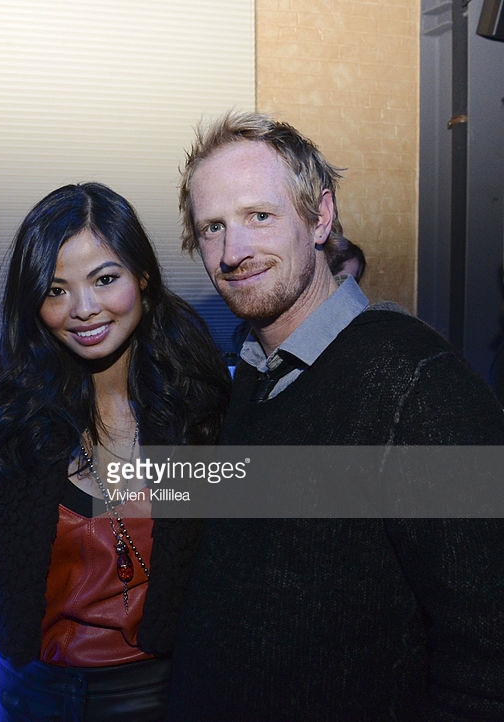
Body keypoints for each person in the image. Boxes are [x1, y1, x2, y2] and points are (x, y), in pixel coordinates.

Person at [169, 110, 504, 718]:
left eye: (259, 216)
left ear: (320, 217)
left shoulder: (419, 384)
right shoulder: (252, 376)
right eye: (212, 227)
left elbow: (489, 657)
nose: (233, 251)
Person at [0, 182, 230, 720]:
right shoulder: (9, 408)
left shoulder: (200, 400)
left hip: (164, 693)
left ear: (142, 276)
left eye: (105, 279)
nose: (84, 309)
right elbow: (13, 539)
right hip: (34, 694)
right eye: (55, 290)